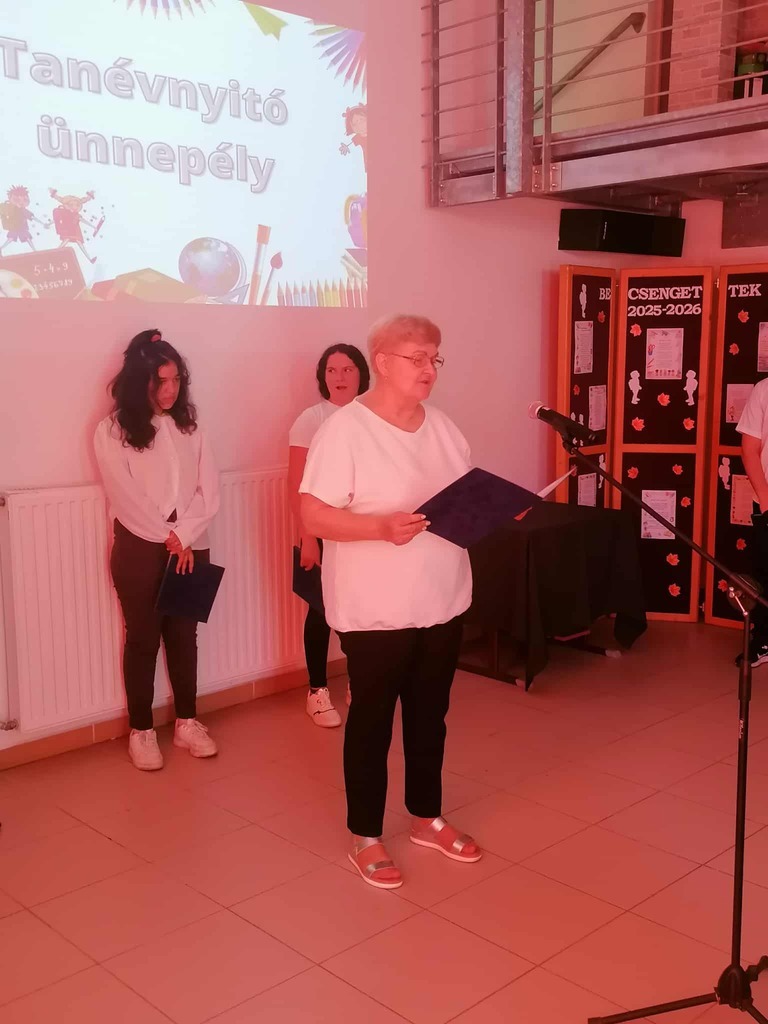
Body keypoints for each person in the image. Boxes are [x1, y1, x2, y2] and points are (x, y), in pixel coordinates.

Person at [300, 314, 482, 889]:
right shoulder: (345, 431)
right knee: (372, 722)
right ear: (382, 362)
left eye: (435, 358)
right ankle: (366, 836)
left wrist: (502, 508)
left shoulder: (444, 427)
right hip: (376, 609)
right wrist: (378, 528)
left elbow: (464, 498)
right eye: (417, 358)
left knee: (430, 717)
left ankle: (427, 818)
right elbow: (313, 514)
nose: (430, 370)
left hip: (440, 600)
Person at [94, 329, 220, 770]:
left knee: (185, 637)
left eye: (176, 380)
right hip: (139, 547)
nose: (170, 390)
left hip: (191, 545)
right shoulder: (112, 430)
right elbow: (124, 494)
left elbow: (209, 488)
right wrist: (169, 537)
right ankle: (142, 730)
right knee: (143, 638)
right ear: (140, 381)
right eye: (160, 381)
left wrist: (185, 536)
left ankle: (187, 722)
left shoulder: (191, 426)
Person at [288, 344, 370, 727]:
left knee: (359, 610)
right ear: (323, 377)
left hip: (361, 530)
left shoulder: (371, 416)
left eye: (348, 369)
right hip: (320, 529)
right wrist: (307, 537)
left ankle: (358, 680)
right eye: (332, 370)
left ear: (361, 374)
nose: (339, 377)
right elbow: (296, 485)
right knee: (320, 610)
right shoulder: (311, 419)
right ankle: (317, 691)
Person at [738, 381, 768, 667]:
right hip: (767, 500)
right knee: (765, 574)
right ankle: (764, 640)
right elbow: (749, 449)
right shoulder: (764, 390)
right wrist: (766, 500)